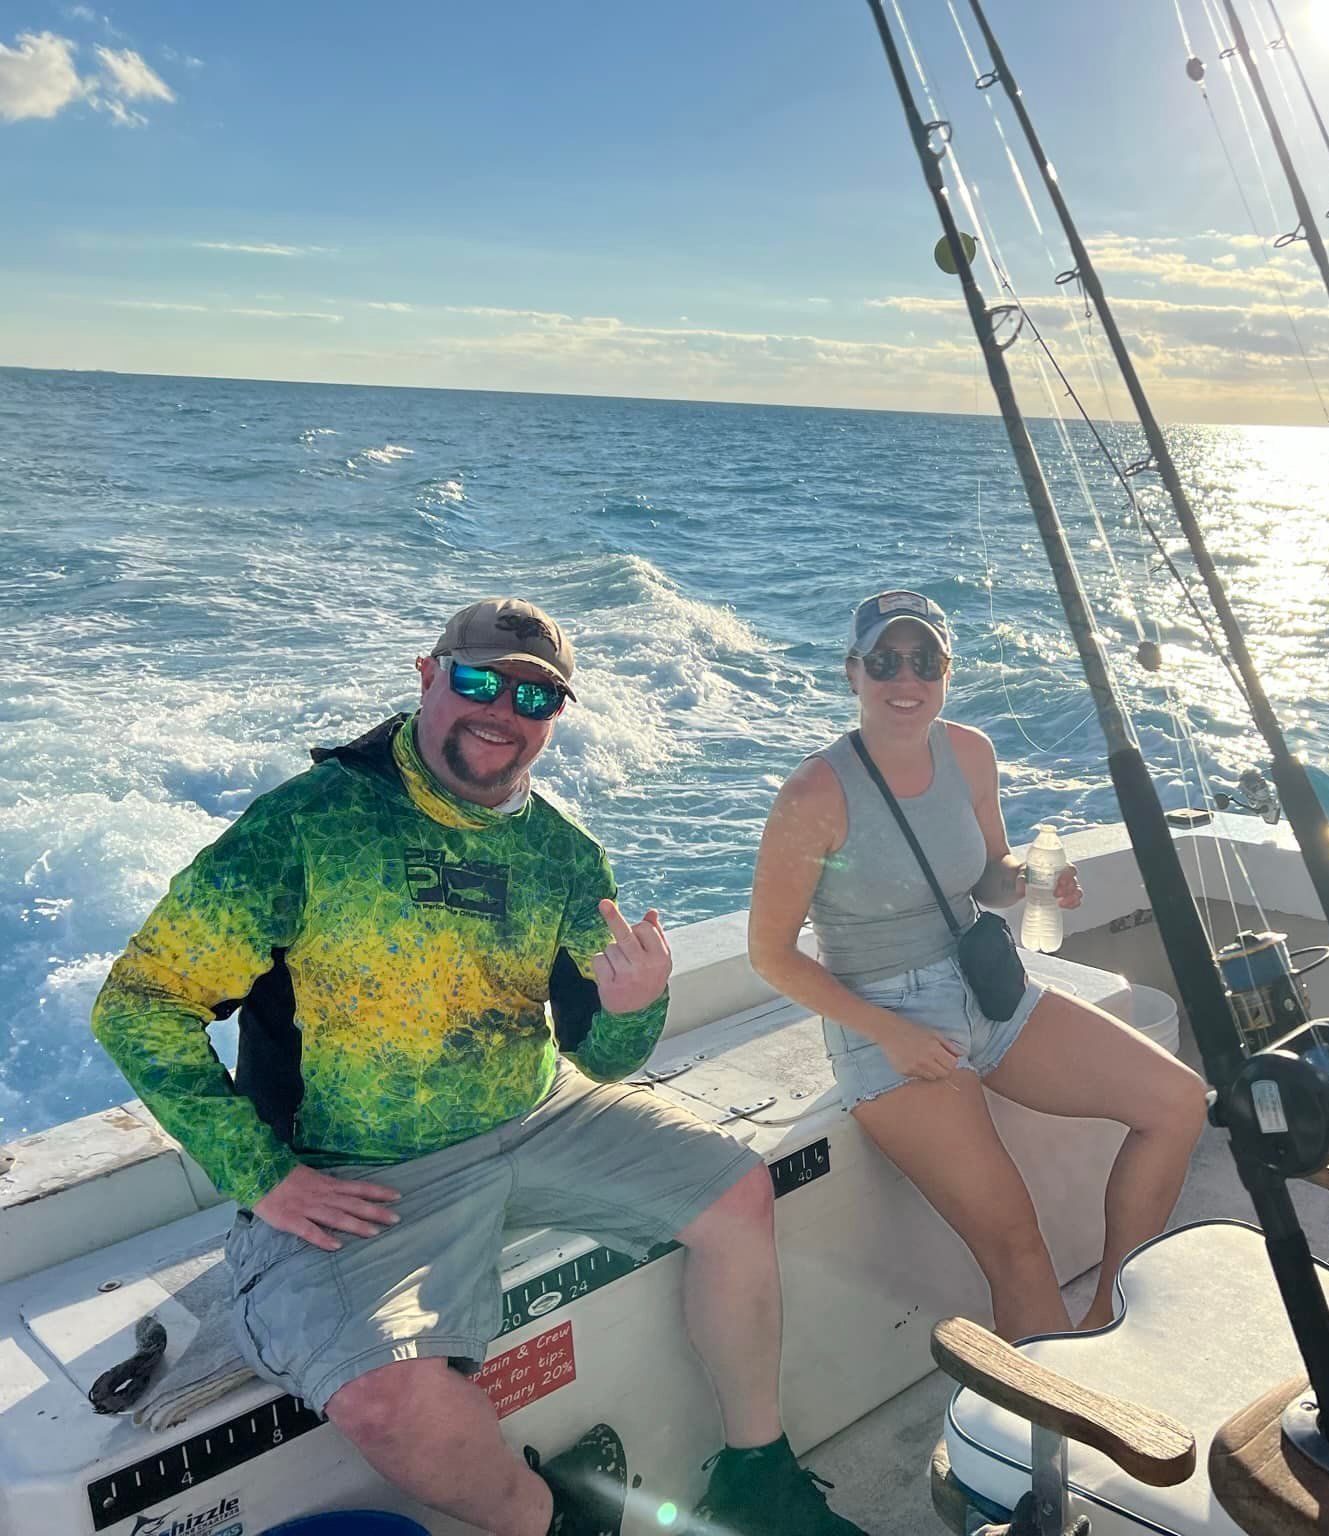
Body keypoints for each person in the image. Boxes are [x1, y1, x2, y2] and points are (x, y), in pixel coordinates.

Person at [91, 598, 864, 1536]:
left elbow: (604, 1057)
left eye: (533, 697)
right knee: (383, 1402)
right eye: (479, 681)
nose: (502, 710)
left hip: (541, 1113)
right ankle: (555, 1521)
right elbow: (139, 1003)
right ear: (429, 674)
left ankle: (755, 1471)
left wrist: (636, 1005)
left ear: (556, 718)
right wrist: (262, 1173)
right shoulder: (306, 827)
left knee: (740, 1194)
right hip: (354, 1170)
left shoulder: (563, 855)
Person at [749, 588, 1208, 1340]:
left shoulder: (969, 752)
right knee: (1017, 1247)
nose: (906, 679)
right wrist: (887, 1031)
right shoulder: (814, 794)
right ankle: (1057, 1436)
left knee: (1178, 1103)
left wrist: (1029, 880)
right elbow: (770, 954)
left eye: (925, 661)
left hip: (986, 987)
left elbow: (990, 877)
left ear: (947, 672)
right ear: (852, 673)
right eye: (885, 661)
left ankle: (1107, 1325)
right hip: (884, 1019)